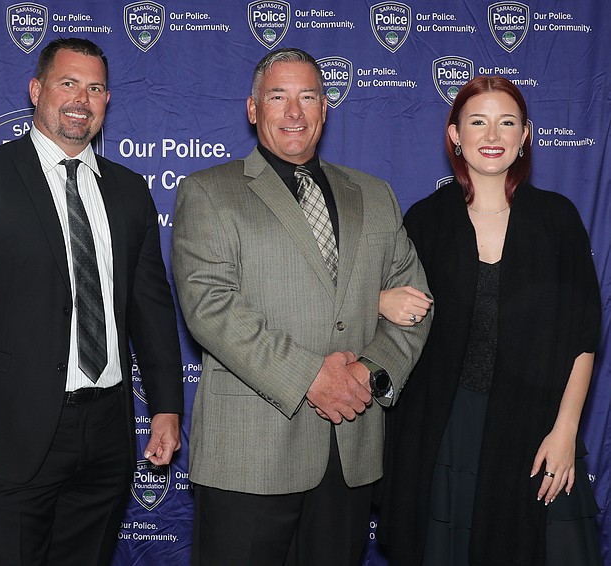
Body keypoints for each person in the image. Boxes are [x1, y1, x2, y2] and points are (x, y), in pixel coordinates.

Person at [0, 37, 184, 565]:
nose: (81, 99)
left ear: (108, 100)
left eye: (95, 88)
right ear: (37, 90)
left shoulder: (130, 190)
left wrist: (167, 407)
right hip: (10, 431)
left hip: (107, 434)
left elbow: (151, 308)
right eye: (68, 83)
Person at [170, 47, 431, 566]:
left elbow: (413, 302)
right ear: (253, 108)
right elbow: (210, 307)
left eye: (307, 96)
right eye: (278, 96)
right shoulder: (210, 192)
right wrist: (313, 376)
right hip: (249, 459)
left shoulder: (375, 195)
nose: (294, 112)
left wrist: (367, 374)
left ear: (325, 107)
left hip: (349, 453)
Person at [376, 76, 603, 565]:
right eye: (477, 122)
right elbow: (370, 307)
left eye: (507, 122)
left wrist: (565, 431)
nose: (492, 134)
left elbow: (584, 337)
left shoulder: (557, 219)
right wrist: (378, 300)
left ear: (526, 136)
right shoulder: (424, 221)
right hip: (440, 431)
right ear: (454, 134)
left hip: (536, 430)